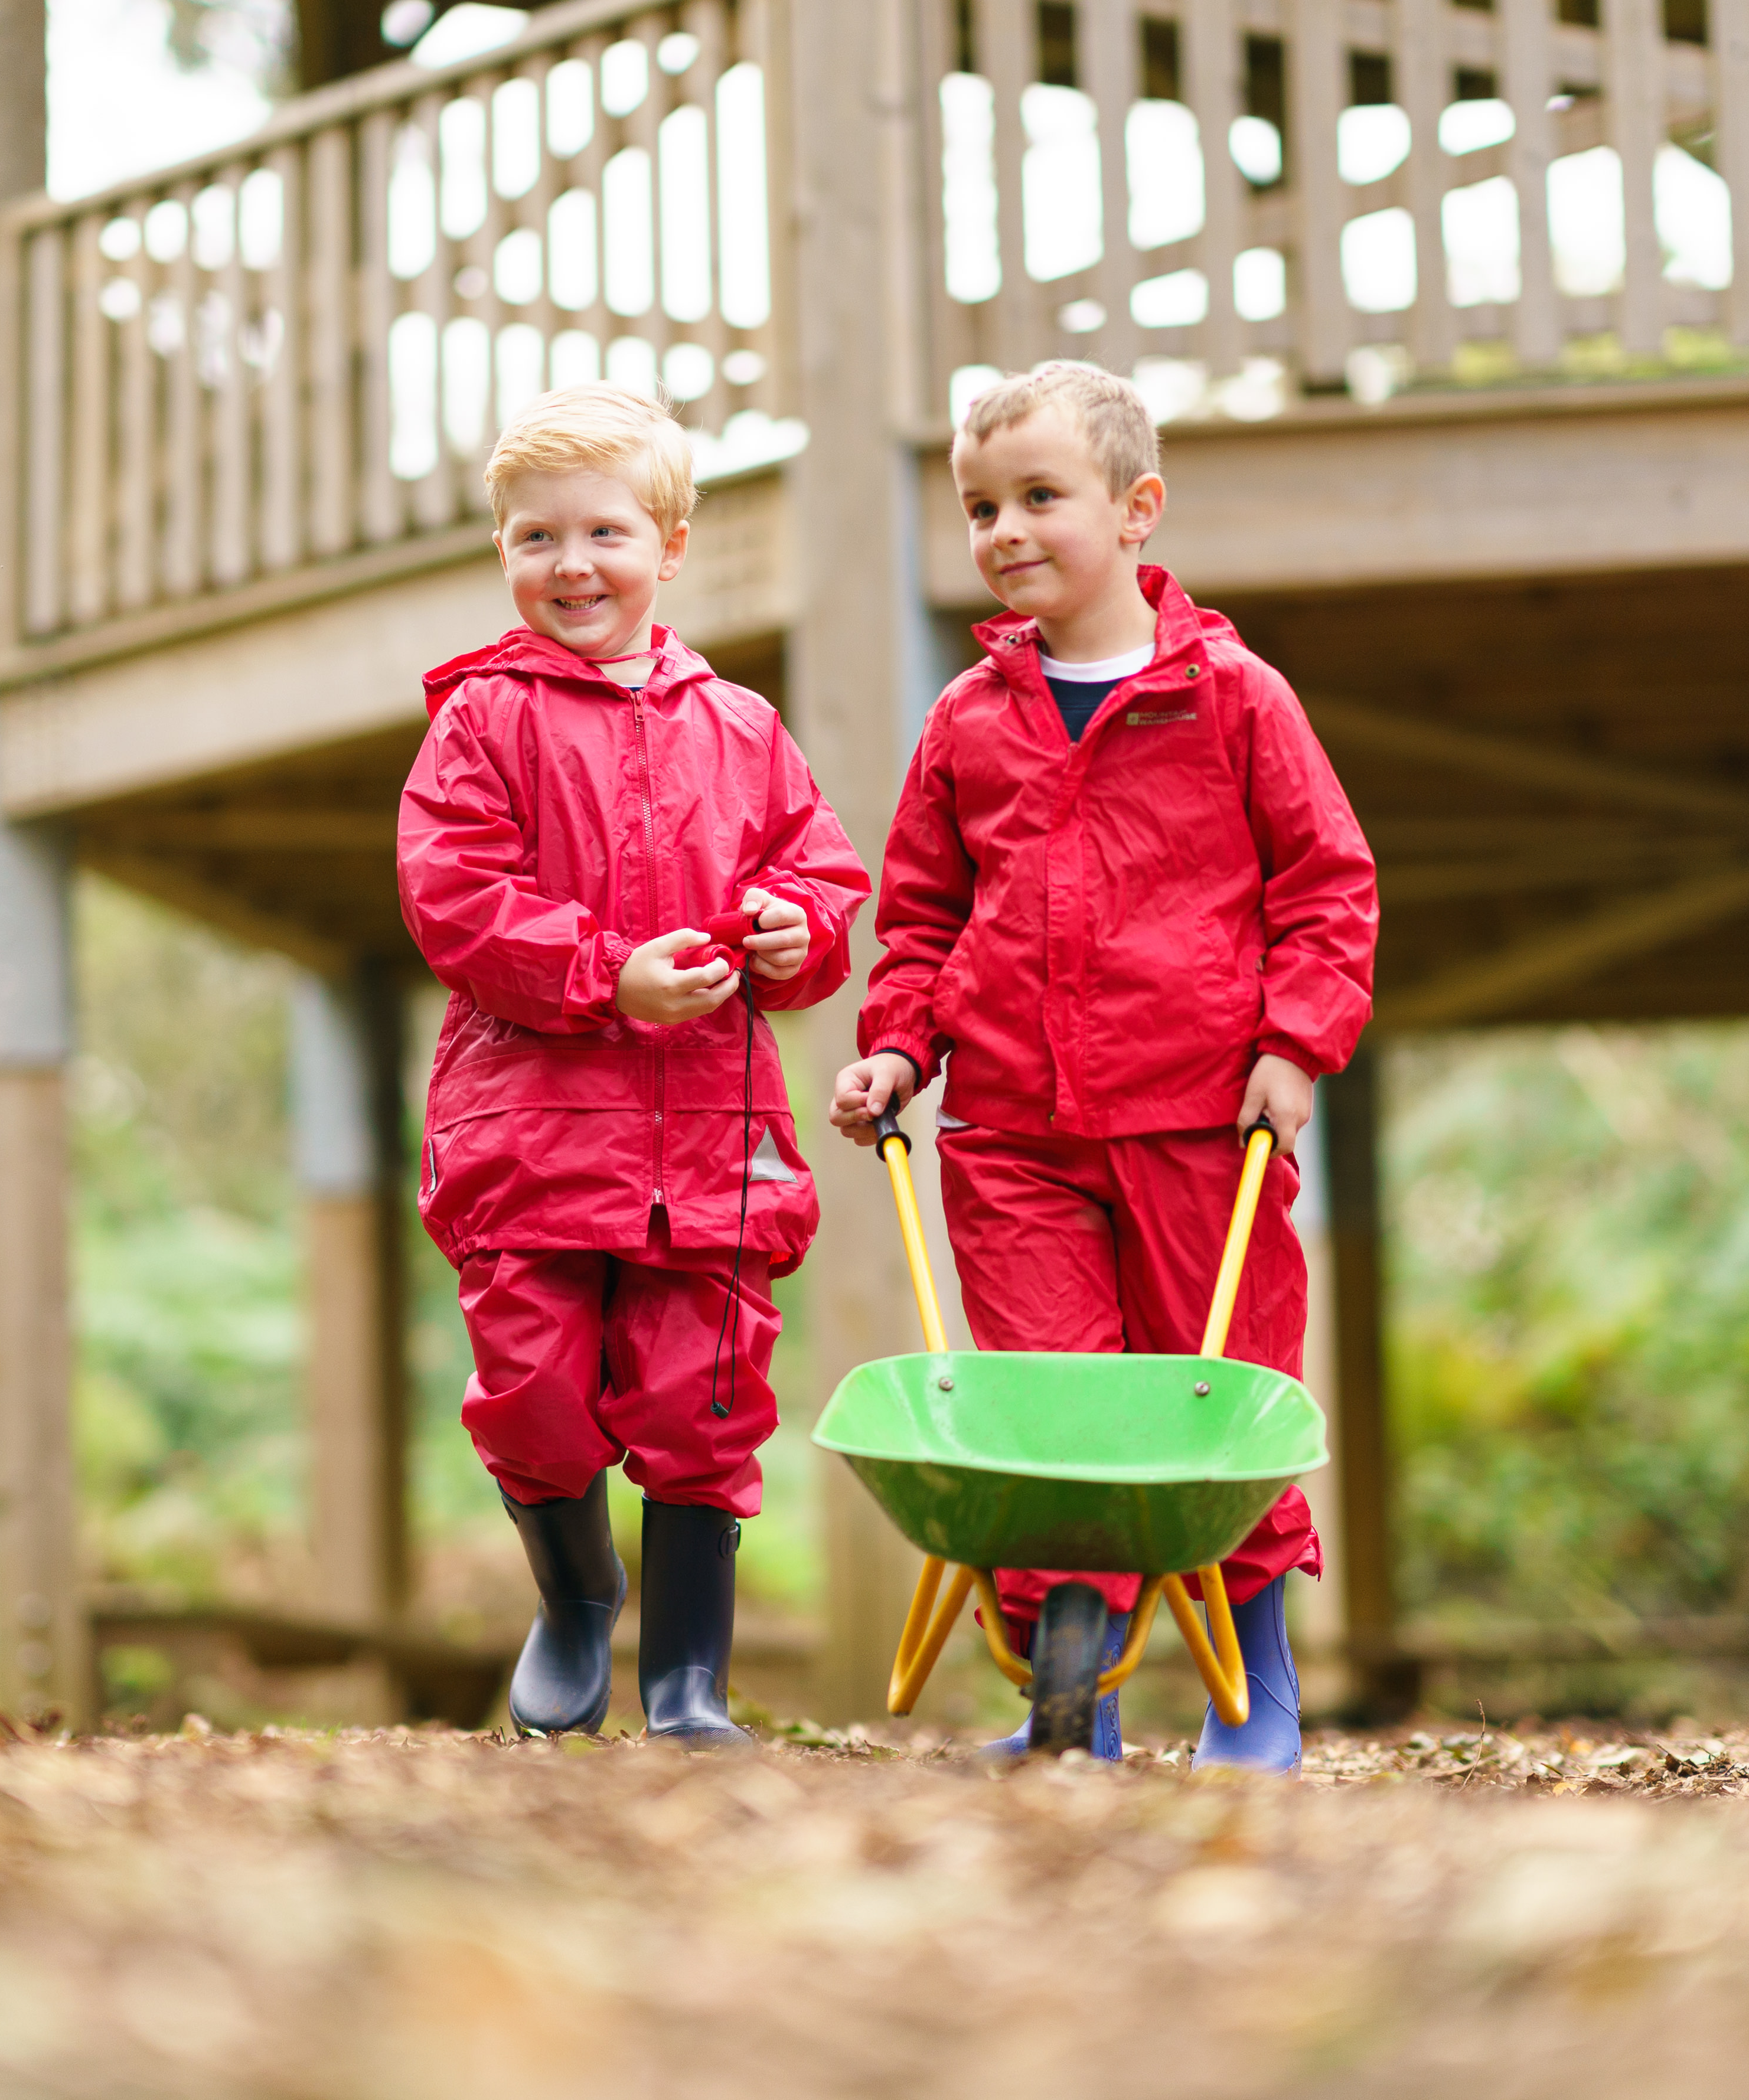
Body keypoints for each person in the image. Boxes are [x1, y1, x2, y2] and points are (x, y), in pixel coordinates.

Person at [827, 361, 1377, 1772]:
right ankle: (1074, 1704)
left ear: (1137, 509)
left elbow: (1325, 885)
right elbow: (924, 916)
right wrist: (897, 1045)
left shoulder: (1233, 696)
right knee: (1047, 1407)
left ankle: (1253, 1694)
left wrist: (1294, 1044)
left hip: (1201, 1121)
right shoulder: (969, 718)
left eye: (1039, 497)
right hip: (1012, 1131)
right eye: (980, 508)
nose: (1005, 529)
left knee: (1214, 1393)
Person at [400, 383, 870, 1747]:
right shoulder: (481, 720)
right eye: (535, 537)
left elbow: (821, 875)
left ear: (669, 545)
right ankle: (573, 1594)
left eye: (603, 532)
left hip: (705, 1135)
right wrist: (606, 974)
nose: (571, 565)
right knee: (533, 1387)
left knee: (701, 1396)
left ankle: (687, 1679)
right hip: (530, 1130)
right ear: (503, 551)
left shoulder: (742, 727)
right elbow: (455, 897)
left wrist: (796, 928)